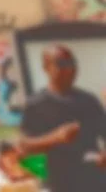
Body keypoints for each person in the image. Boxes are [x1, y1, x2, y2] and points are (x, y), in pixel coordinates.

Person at [18, 45, 106, 192]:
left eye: (72, 64)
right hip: (60, 183)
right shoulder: (36, 104)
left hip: (94, 180)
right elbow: (25, 146)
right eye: (62, 64)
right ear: (46, 67)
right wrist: (56, 138)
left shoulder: (88, 100)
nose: (70, 70)